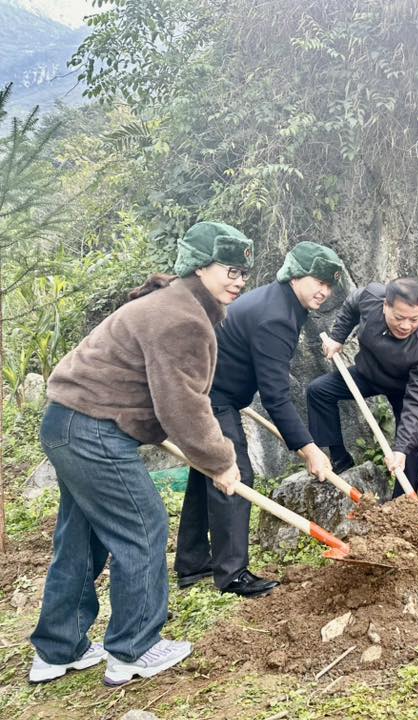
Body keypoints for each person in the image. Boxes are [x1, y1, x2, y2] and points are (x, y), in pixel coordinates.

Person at [28, 221, 253, 686]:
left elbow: (159, 395)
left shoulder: (172, 303)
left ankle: (59, 649)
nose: (238, 280)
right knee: (145, 526)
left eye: (244, 272)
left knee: (80, 537)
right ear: (200, 266)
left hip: (67, 423)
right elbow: (183, 404)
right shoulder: (182, 318)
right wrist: (222, 460)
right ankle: (136, 648)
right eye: (229, 269)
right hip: (92, 430)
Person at [174, 242, 345, 598]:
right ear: (295, 274)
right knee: (236, 473)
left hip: (208, 390)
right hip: (210, 396)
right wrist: (309, 448)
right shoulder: (277, 317)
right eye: (318, 280)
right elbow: (276, 396)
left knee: (207, 472)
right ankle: (232, 575)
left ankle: (192, 564)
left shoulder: (282, 302)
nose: (324, 291)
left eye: (329, 285)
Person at [306, 277, 418, 498]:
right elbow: (351, 305)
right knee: (318, 391)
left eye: (414, 319)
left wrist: (400, 448)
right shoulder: (371, 297)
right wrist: (337, 338)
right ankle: (340, 459)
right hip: (367, 374)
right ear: (385, 305)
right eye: (399, 317)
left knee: (408, 445)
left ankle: (404, 502)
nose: (406, 325)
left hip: (404, 389)